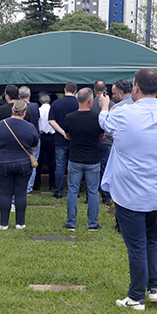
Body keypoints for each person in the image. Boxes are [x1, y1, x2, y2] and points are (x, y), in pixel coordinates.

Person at [99, 68, 157, 311]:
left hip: (130, 193)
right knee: (154, 239)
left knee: (137, 245)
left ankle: (135, 297)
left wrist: (103, 105)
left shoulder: (123, 113)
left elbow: (104, 123)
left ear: (136, 87)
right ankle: (154, 288)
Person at [60, 87, 103, 231]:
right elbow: (100, 137)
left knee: (72, 191)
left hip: (75, 158)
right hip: (93, 158)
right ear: (91, 100)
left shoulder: (69, 117)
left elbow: (68, 135)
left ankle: (71, 222)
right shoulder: (97, 117)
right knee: (93, 192)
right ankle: (93, 223)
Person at [0, 100, 38, 230]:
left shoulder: (1, 125)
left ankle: (3, 223)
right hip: (23, 162)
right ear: (24, 112)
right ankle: (20, 223)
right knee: (21, 192)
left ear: (13, 110)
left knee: (5, 193)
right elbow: (34, 145)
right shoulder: (30, 127)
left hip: (3, 162)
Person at [48, 82, 79, 198]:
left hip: (60, 140)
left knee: (60, 166)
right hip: (75, 140)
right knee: (74, 167)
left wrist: (62, 132)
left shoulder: (56, 103)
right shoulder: (78, 103)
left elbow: (51, 121)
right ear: (76, 91)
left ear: (64, 90)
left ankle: (59, 191)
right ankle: (74, 191)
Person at [37, 92, 56, 192]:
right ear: (49, 100)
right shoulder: (53, 110)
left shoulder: (38, 110)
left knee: (39, 161)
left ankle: (37, 184)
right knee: (52, 162)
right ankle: (52, 184)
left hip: (41, 137)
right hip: (52, 137)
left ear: (40, 101)